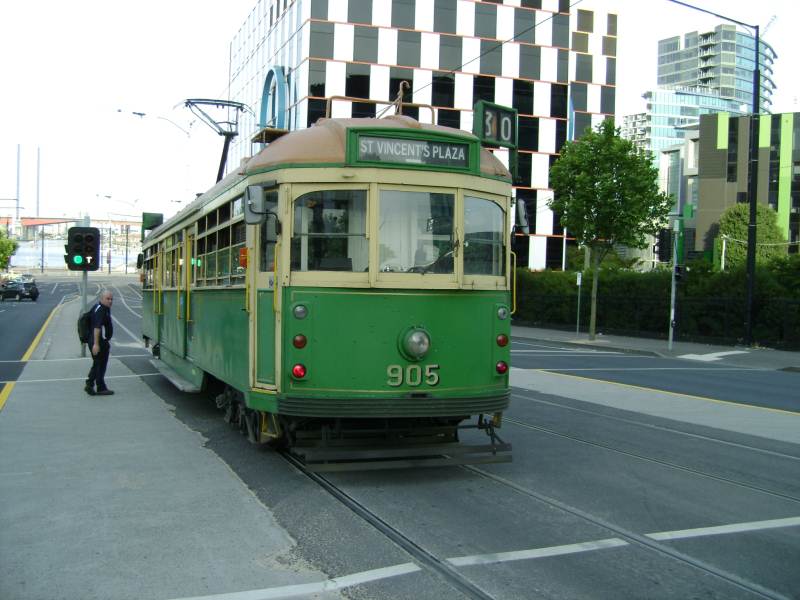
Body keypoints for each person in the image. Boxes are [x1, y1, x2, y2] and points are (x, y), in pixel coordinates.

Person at [85, 290, 114, 396]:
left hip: (98, 341)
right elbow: (97, 328)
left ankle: (92, 385)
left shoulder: (99, 307)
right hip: (97, 342)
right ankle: (95, 385)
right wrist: (96, 344)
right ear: (101, 299)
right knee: (99, 364)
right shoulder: (101, 310)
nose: (110, 301)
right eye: (108, 299)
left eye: (111, 299)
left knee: (98, 364)